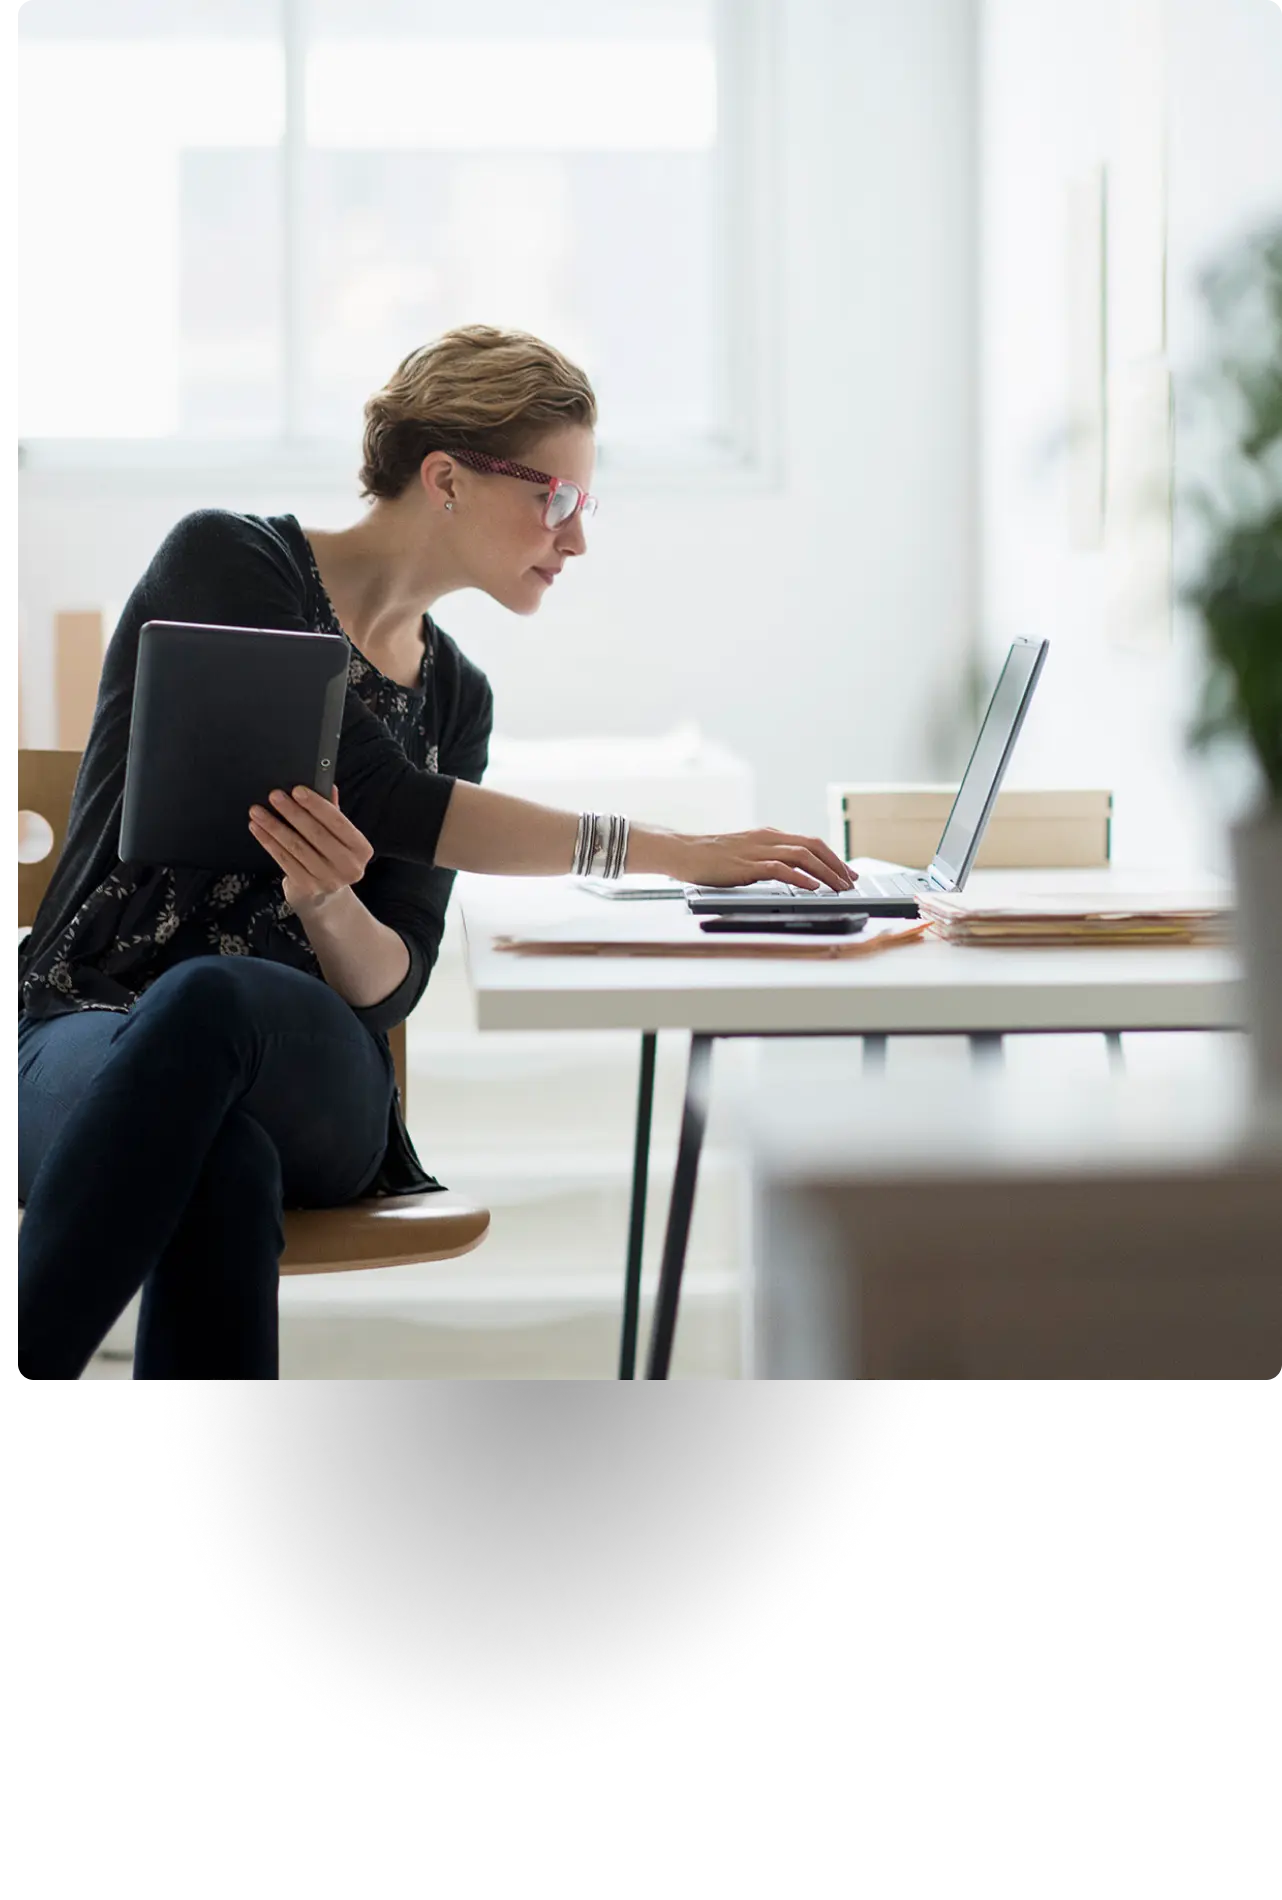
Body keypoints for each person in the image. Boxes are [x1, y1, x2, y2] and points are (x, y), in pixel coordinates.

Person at [15, 324, 855, 1384]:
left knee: (215, 1000)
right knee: (222, 1161)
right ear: (446, 478)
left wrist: (327, 907)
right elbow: (381, 791)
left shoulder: (457, 698)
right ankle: (226, 1503)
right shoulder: (228, 561)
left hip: (311, 1070)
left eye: (584, 506)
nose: (576, 538)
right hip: (82, 1028)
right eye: (556, 499)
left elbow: (392, 977)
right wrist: (673, 850)